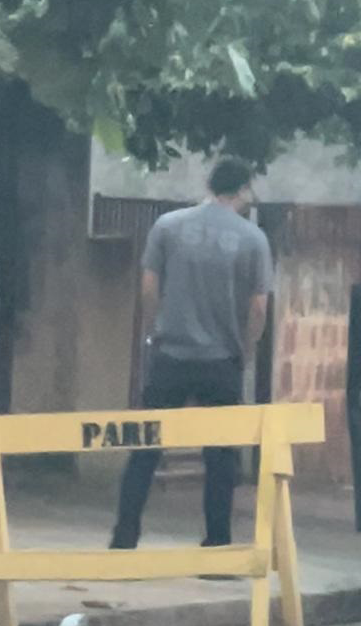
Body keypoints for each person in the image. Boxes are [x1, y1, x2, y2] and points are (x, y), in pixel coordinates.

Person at [109, 157, 273, 551]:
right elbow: (258, 308)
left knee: (146, 448)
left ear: (210, 184)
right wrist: (244, 352)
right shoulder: (253, 239)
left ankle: (124, 538)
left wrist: (154, 331)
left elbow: (149, 286)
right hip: (222, 360)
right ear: (243, 190)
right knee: (220, 458)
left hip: (171, 354)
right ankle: (217, 541)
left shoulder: (168, 227)